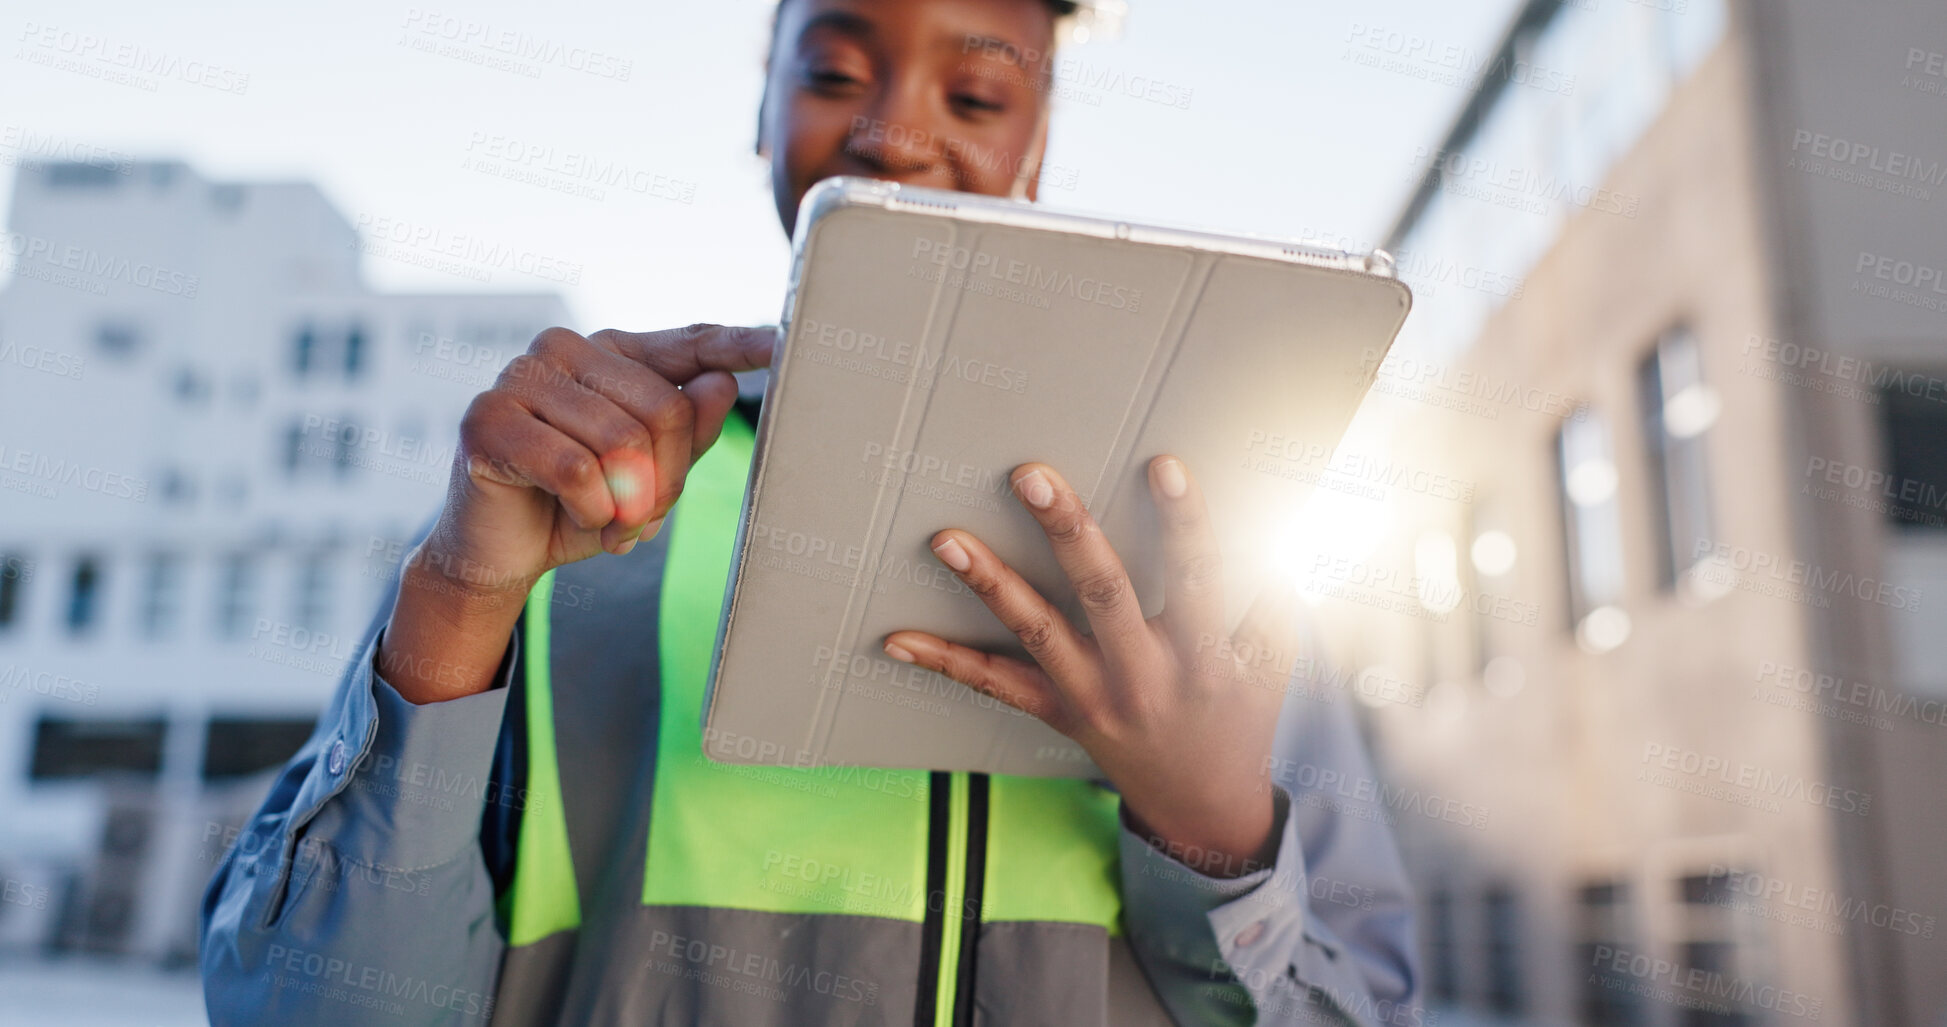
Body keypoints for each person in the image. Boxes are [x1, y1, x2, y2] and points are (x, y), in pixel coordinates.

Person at [200, 0, 1420, 1023]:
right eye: (836, 72)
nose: (894, 133)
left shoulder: (1210, 557)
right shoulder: (575, 521)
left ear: (1041, 142)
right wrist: (459, 600)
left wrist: (1210, 840)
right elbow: (312, 1003)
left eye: (980, 98)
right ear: (762, 108)